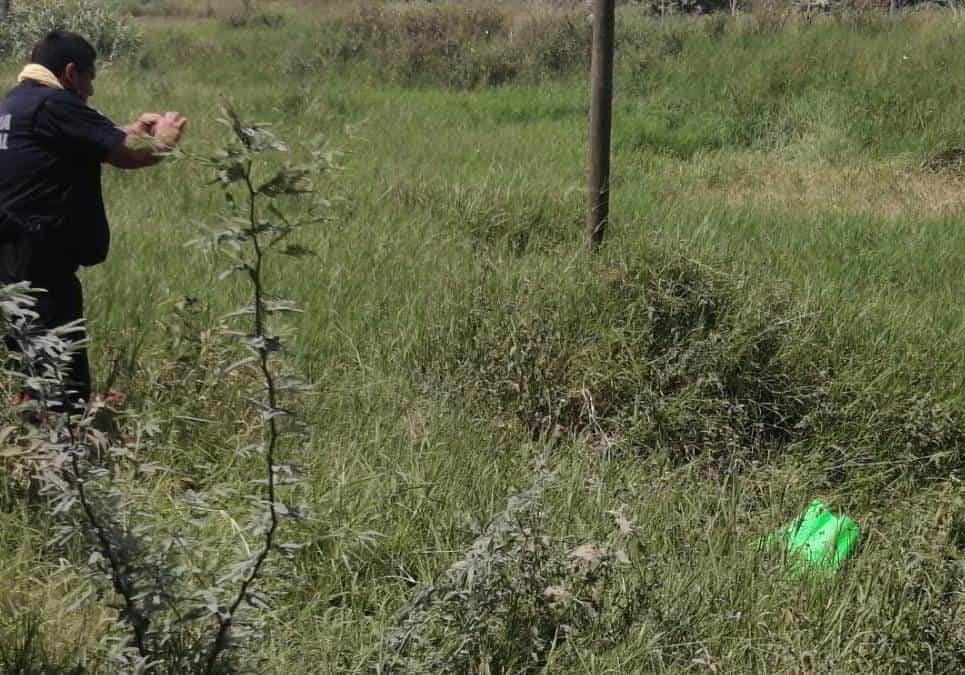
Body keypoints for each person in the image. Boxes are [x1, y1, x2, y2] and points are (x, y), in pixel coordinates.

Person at [0, 30, 187, 409]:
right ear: (71, 72)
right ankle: (62, 452)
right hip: (38, 260)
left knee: (30, 359)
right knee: (58, 376)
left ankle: (33, 437)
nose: (91, 91)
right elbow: (129, 157)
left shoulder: (17, 102)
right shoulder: (54, 103)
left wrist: (131, 129)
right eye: (89, 79)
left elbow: (81, 138)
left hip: (13, 255)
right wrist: (165, 141)